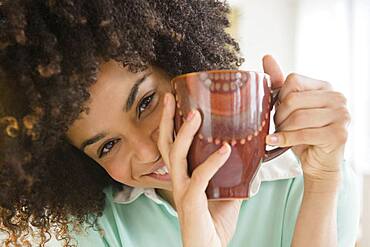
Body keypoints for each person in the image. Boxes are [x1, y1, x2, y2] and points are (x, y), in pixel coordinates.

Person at [0, 0, 360, 246]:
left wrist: (323, 184)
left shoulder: (311, 178)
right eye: (107, 146)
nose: (147, 150)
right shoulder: (103, 230)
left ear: (181, 67)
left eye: (145, 103)